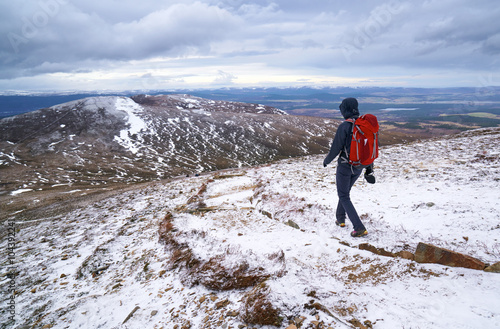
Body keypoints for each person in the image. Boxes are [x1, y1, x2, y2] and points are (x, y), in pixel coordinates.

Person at [323, 97, 374, 237]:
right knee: (344, 192)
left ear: (344, 109)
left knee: (344, 195)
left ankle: (359, 227)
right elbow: (370, 148)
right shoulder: (364, 126)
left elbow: (335, 148)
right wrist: (369, 168)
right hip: (359, 167)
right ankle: (340, 218)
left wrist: (326, 161)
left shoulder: (345, 126)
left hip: (345, 167)